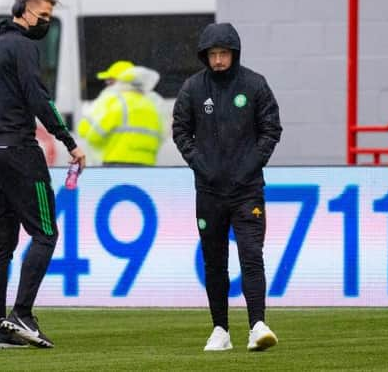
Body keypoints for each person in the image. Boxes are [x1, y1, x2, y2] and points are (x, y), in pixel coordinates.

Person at [0, 0, 86, 349]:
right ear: (22, 12)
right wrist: (68, 141)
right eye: (43, 16)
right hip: (19, 150)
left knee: (2, 243)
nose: (46, 23)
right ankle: (22, 313)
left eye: (50, 18)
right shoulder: (23, 47)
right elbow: (38, 96)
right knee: (46, 232)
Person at [172, 22, 282, 351]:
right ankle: (220, 330)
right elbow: (180, 131)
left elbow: (271, 129)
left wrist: (249, 165)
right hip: (209, 192)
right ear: (205, 56)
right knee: (214, 261)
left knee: (251, 256)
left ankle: (257, 325)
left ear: (234, 54)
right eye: (213, 54)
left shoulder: (255, 85)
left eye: (224, 54)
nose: (218, 60)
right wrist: (201, 165)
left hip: (247, 190)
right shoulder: (193, 88)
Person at [77, 61, 164, 166]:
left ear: (120, 81)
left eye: (110, 81)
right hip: (147, 163)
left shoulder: (115, 101)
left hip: (117, 162)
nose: (107, 86)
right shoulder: (151, 103)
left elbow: (91, 135)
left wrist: (89, 113)